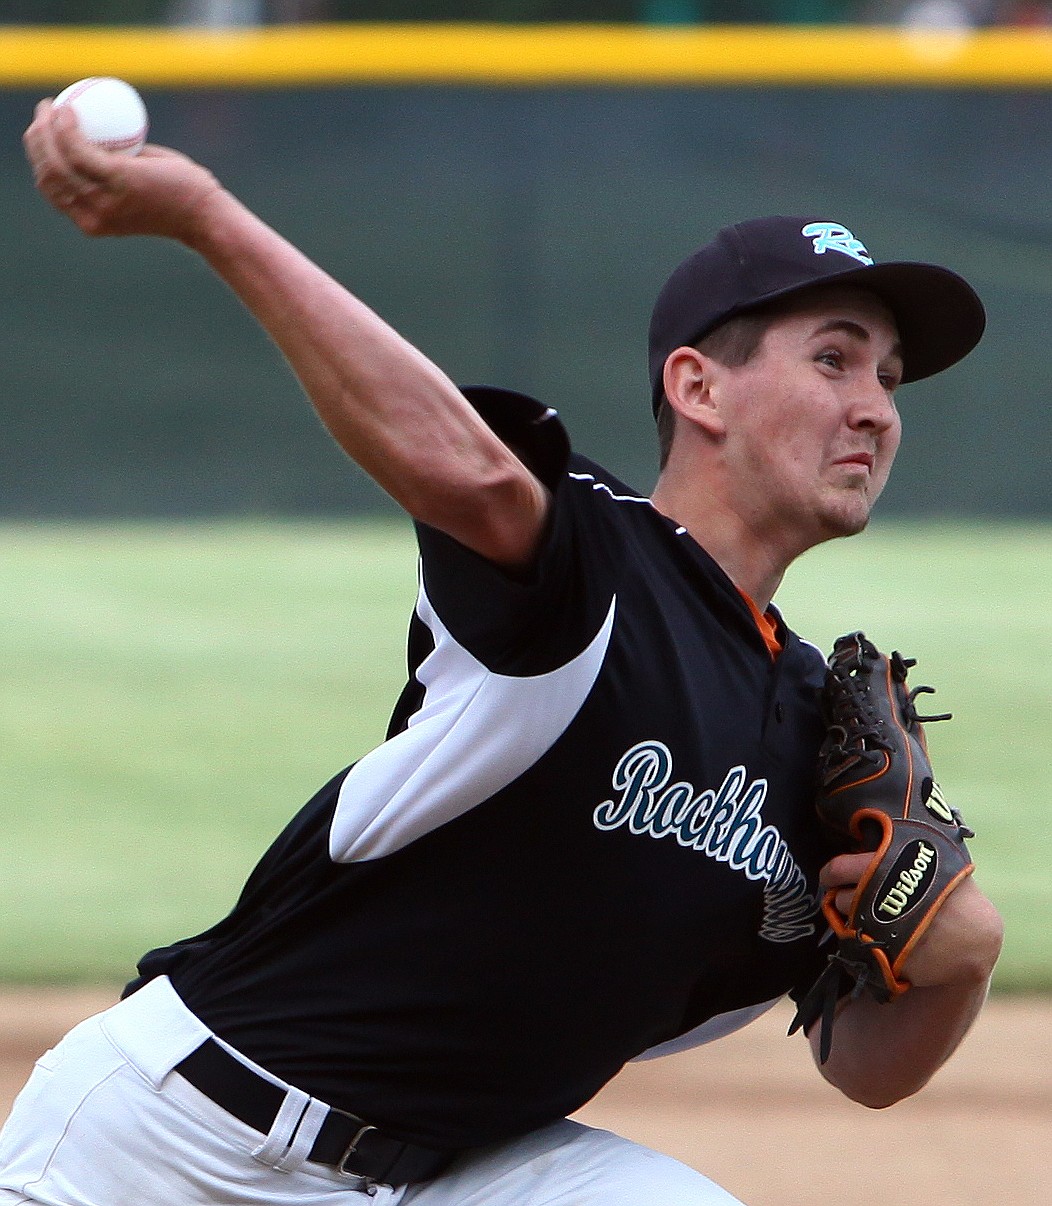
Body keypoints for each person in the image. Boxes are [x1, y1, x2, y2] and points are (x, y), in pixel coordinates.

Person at [6, 99, 1004, 1206]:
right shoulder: (589, 564)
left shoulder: (818, 735)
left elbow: (862, 1070)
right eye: (834, 360)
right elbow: (468, 474)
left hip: (453, 1176)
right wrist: (206, 216)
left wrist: (957, 961)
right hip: (173, 1142)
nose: (873, 408)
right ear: (696, 387)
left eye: (888, 378)